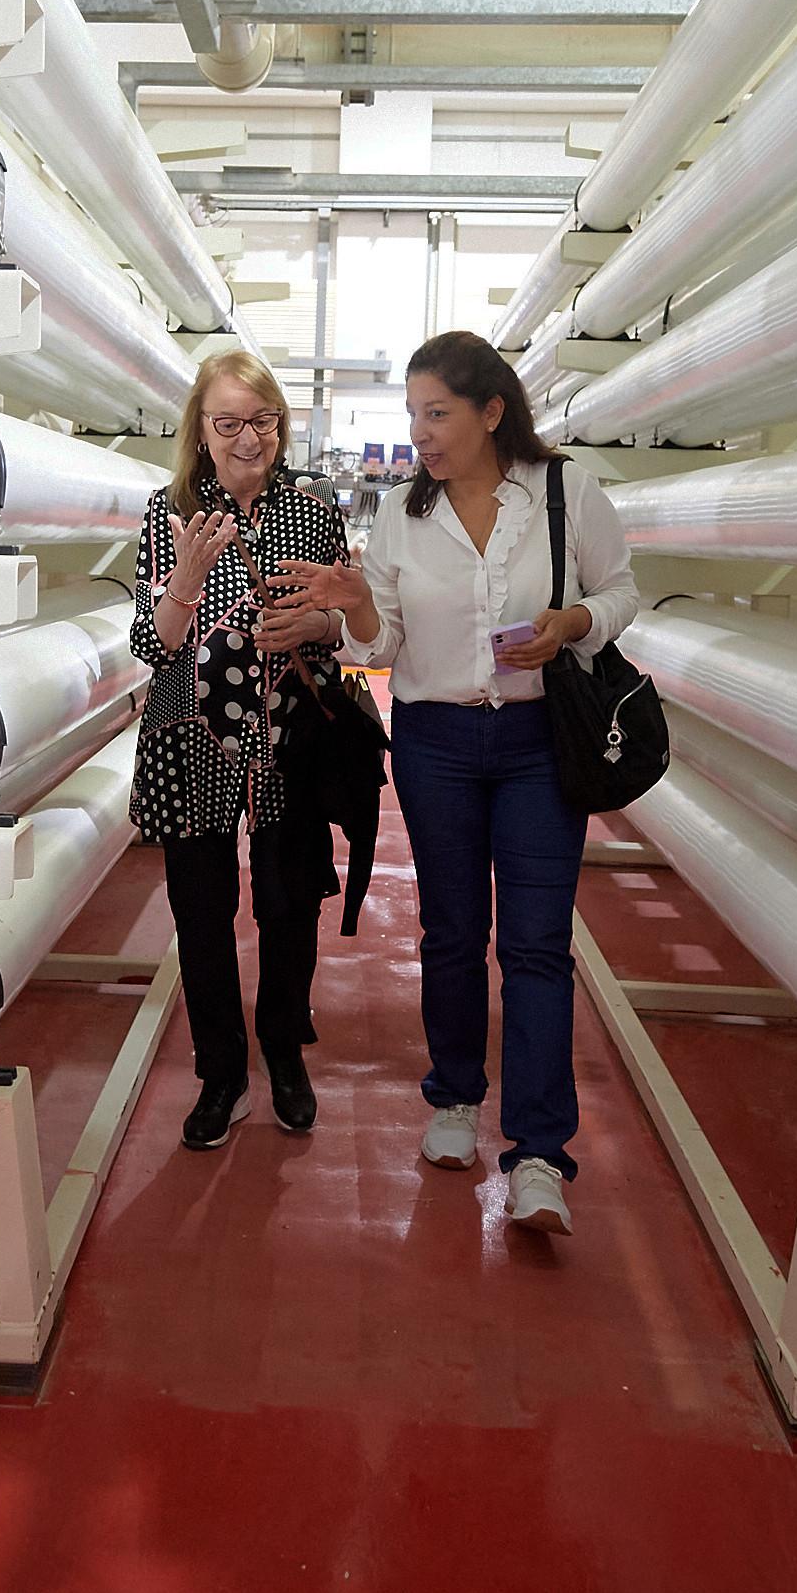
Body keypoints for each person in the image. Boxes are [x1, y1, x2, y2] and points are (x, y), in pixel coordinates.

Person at [270, 330, 640, 1234]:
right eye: (413, 414)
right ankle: (455, 1097)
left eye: (437, 413)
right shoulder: (405, 513)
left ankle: (540, 1151)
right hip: (434, 739)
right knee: (451, 930)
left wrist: (573, 622)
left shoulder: (566, 492)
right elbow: (381, 646)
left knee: (538, 943)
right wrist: (357, 605)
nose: (420, 433)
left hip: (538, 740)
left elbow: (623, 591)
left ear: (491, 411)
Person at [129, 350, 351, 1151]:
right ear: (200, 430)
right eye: (228, 422)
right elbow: (150, 645)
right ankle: (220, 1070)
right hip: (191, 738)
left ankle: (284, 1049)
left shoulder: (314, 511)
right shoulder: (168, 512)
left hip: (289, 737)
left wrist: (319, 624)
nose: (248, 438)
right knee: (201, 908)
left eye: (263, 420)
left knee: (289, 902)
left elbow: (349, 620)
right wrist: (184, 582)